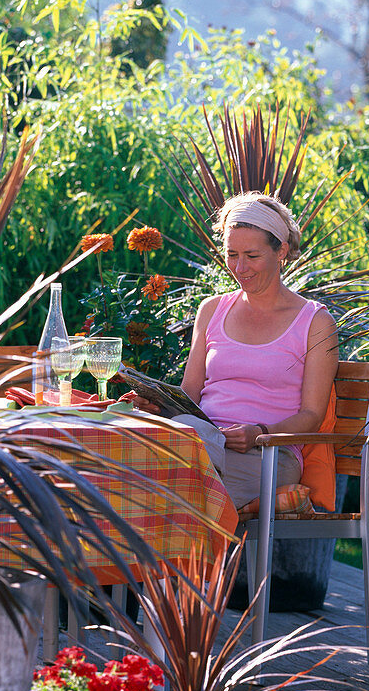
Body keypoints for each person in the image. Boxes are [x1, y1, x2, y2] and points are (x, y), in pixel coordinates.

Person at [125, 192, 338, 508]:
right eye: (231, 254)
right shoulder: (212, 310)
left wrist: (260, 432)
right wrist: (160, 406)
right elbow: (190, 394)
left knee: (166, 486)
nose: (240, 268)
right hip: (201, 442)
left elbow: (311, 415)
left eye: (252, 256)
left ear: (281, 250)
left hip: (267, 455)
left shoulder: (315, 322)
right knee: (154, 464)